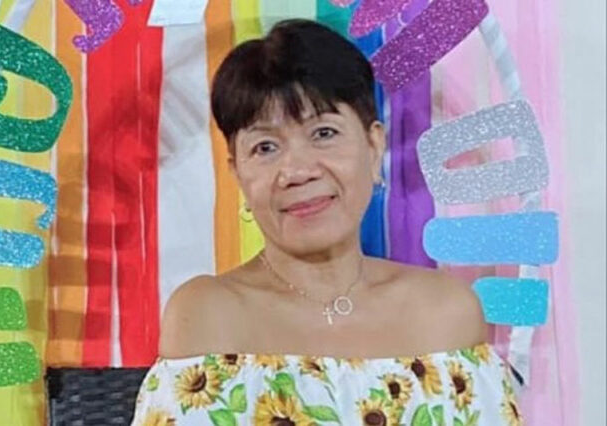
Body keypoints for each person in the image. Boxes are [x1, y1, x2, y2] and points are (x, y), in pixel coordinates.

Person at [131, 19, 523, 426]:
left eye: (323, 133)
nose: (297, 171)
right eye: (265, 147)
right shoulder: (208, 316)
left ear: (374, 146)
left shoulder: (446, 314)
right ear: (237, 173)